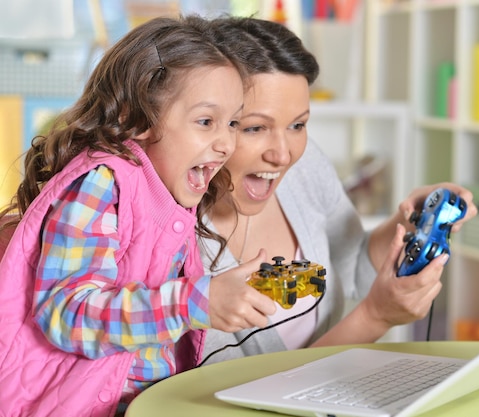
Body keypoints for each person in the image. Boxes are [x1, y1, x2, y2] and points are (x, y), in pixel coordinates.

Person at [0, 15, 275, 416]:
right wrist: (193, 303)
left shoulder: (168, 194)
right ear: (136, 119)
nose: (225, 143)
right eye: (205, 122)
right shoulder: (100, 184)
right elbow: (66, 313)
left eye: (232, 123)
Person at [196, 16, 477, 365]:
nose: (283, 154)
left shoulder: (305, 164)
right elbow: (240, 396)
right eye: (255, 128)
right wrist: (376, 317)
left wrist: (407, 223)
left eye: (298, 124)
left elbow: (354, 264)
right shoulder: (169, 234)